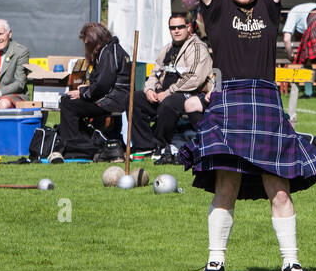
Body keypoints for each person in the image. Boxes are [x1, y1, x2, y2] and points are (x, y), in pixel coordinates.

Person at [180, 0, 316, 271]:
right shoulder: (216, 6)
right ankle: (215, 262)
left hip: (264, 100)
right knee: (226, 183)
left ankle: (291, 264)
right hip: (230, 99)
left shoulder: (269, 4)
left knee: (278, 188)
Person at [130, 12, 214, 162]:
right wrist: (149, 89)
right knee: (135, 99)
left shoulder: (197, 48)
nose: (176, 30)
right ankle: (145, 145)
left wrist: (168, 92)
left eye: (180, 27)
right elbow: (155, 73)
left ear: (188, 28)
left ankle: (161, 144)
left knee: (169, 104)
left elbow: (194, 78)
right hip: (163, 93)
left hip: (189, 94)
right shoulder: (167, 49)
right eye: (172, 28)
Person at [57, 23, 131, 159]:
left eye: (86, 44)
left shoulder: (108, 52)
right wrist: (86, 88)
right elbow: (104, 82)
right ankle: (81, 140)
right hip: (114, 97)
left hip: (111, 101)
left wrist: (83, 92)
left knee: (68, 103)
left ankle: (74, 147)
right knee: (70, 101)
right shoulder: (110, 49)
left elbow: (103, 85)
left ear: (94, 42)